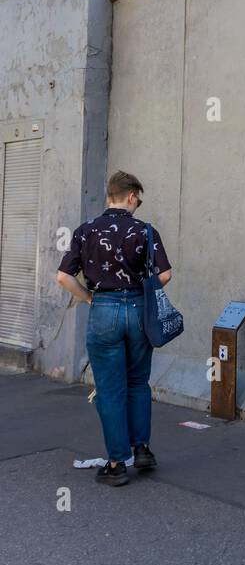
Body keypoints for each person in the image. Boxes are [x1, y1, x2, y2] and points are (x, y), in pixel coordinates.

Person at [56, 170, 172, 486]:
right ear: (132, 196)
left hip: (104, 310)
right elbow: (165, 275)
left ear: (110, 195)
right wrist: (140, 290)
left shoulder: (85, 231)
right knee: (137, 382)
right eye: (139, 199)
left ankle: (117, 464)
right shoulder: (145, 231)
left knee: (109, 389)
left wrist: (91, 298)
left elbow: (63, 277)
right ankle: (143, 449)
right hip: (138, 310)